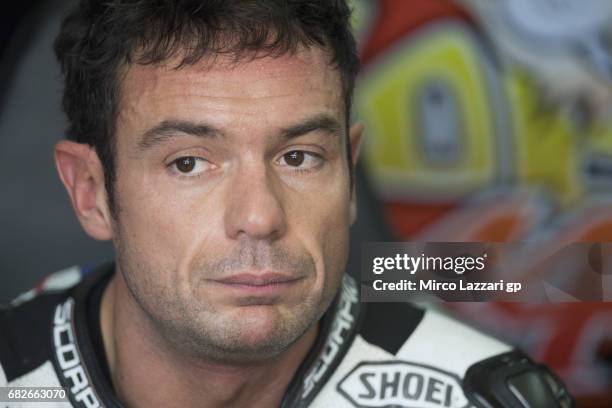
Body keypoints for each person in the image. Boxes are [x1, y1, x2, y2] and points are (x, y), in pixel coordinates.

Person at [0, 1, 573, 407]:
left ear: (349, 172)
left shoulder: (476, 396)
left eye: (298, 157)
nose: (260, 217)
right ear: (91, 192)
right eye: (189, 163)